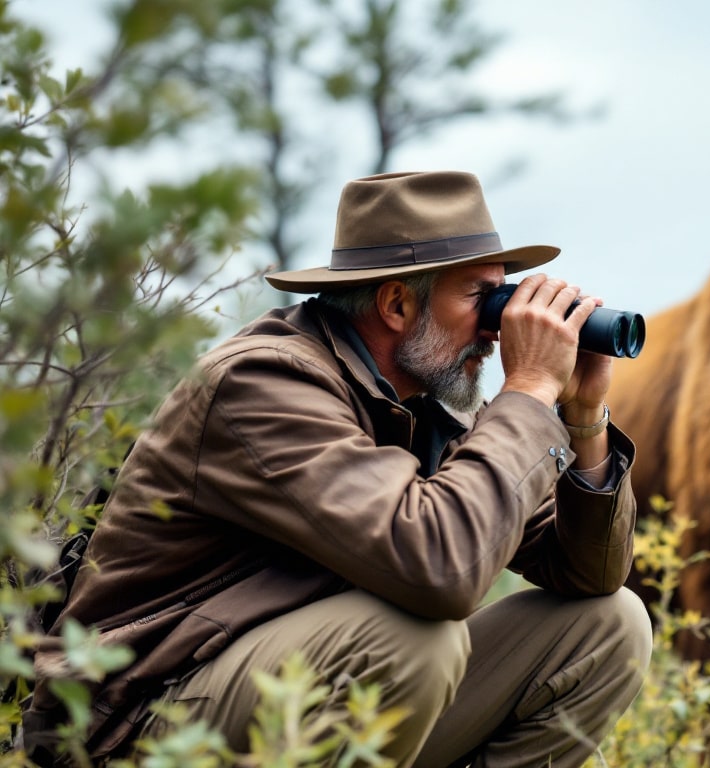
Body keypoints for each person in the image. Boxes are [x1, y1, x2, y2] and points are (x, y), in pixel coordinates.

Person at [21, 171, 652, 767]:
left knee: (608, 625)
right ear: (398, 305)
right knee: (414, 641)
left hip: (291, 687)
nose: (499, 329)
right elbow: (439, 568)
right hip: (141, 716)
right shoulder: (263, 382)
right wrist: (531, 387)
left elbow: (587, 573)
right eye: (485, 299)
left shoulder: (428, 406)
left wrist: (584, 414)